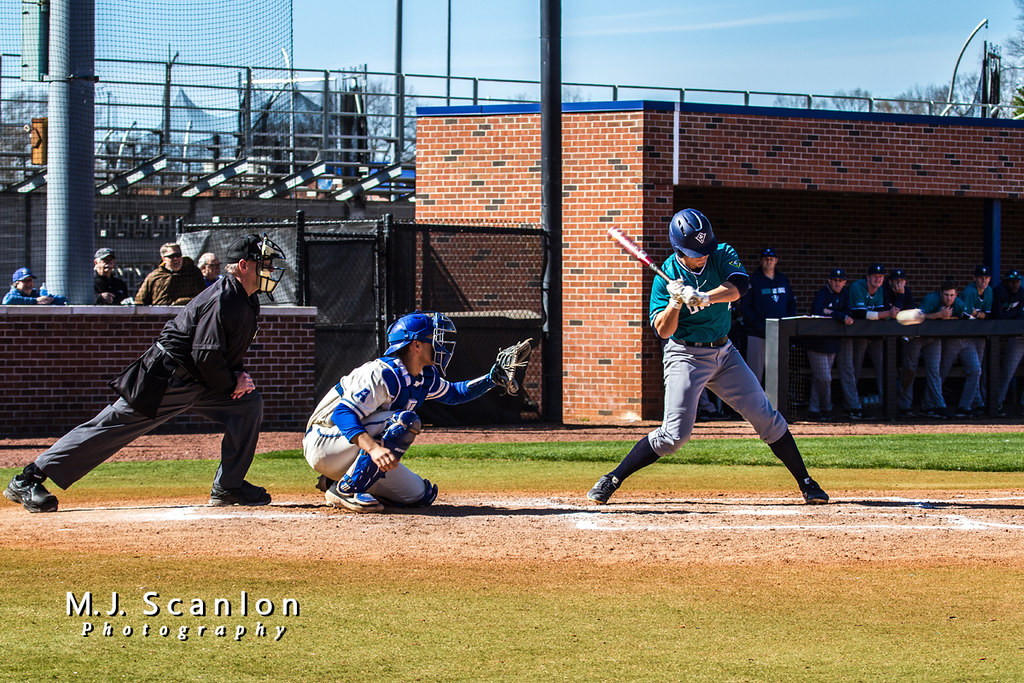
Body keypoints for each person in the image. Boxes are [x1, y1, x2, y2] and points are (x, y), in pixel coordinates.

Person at [3, 234, 287, 513]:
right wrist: (232, 381)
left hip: (201, 378)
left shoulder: (248, 299)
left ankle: (229, 485)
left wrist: (238, 376)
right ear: (243, 265)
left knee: (247, 405)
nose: (271, 269)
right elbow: (205, 353)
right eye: (265, 262)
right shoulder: (224, 298)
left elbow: (224, 350)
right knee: (112, 426)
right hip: (167, 377)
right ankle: (28, 478)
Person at [586, 209, 828, 506]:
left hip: (725, 354)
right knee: (674, 436)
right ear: (678, 250)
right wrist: (675, 303)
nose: (702, 256)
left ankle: (807, 482)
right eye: (694, 252)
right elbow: (663, 332)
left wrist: (705, 297)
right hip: (685, 355)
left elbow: (740, 286)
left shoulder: (721, 253)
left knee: (767, 416)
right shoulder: (666, 278)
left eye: (704, 249)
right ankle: (613, 478)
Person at [303, 311, 526, 512]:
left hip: (350, 448)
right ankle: (345, 489)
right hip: (324, 440)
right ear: (416, 345)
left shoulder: (423, 376)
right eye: (434, 339)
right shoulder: (382, 373)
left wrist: (490, 379)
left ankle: (337, 479)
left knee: (421, 495)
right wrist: (372, 449)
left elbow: (455, 393)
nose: (440, 345)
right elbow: (342, 414)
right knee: (404, 422)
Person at [839, 263, 897, 419]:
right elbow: (859, 314)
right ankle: (851, 404)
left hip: (874, 335)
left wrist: (884, 313)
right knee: (853, 369)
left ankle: (888, 405)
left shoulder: (881, 291)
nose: (877, 279)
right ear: (868, 277)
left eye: (880, 277)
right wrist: (887, 313)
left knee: (884, 367)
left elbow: (877, 312)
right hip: (853, 334)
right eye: (874, 276)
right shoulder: (858, 287)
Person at [920, 278, 979, 419]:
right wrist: (938, 316)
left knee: (976, 370)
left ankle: (964, 406)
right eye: (946, 295)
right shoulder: (931, 299)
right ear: (941, 293)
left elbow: (968, 319)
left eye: (952, 295)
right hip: (924, 339)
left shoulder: (958, 304)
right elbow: (918, 317)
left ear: (956, 295)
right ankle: (928, 405)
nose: (949, 298)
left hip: (955, 339)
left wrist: (951, 319)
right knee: (940, 373)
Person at [739, 247, 797, 385]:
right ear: (761, 261)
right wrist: (757, 326)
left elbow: (791, 303)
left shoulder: (783, 279)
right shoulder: (753, 280)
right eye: (766, 259)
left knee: (777, 374)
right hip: (758, 334)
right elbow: (746, 307)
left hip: (779, 334)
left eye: (771, 259)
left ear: (776, 261)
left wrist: (786, 325)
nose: (768, 262)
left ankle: (774, 405)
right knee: (755, 374)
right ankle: (754, 406)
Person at [806, 268, 852, 421]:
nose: (838, 283)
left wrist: (832, 312)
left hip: (833, 342)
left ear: (844, 282)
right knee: (825, 378)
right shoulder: (822, 294)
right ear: (830, 281)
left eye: (841, 280)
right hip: (817, 343)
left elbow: (850, 313)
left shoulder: (845, 295)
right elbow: (818, 311)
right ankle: (827, 408)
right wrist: (839, 315)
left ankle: (814, 409)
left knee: (820, 378)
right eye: (835, 280)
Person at [992, 269, 1024, 415]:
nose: (1015, 284)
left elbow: (1019, 314)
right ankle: (997, 403)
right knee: (1007, 371)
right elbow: (999, 316)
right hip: (1014, 337)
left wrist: (1012, 315)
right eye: (1012, 281)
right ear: (1006, 281)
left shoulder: (1021, 292)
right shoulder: (1000, 291)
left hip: (1018, 332)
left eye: (1017, 281)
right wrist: (1013, 315)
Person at [961, 265, 993, 411]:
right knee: (943, 370)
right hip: (960, 336)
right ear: (975, 278)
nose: (984, 280)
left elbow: (987, 315)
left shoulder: (989, 291)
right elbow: (966, 316)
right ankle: (934, 404)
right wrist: (977, 315)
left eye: (986, 278)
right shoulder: (969, 291)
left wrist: (976, 314)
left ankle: (976, 402)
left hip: (978, 337)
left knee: (977, 369)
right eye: (981, 277)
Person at [134, 242, 206, 305]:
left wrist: (182, 301)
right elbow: (140, 301)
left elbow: (203, 297)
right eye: (171, 256)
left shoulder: (192, 273)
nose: (176, 259)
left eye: (178, 255)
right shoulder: (154, 276)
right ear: (164, 259)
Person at [2, 268, 68, 305]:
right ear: (17, 284)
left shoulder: (35, 294)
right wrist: (36, 301)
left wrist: (49, 299)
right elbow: (8, 300)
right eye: (25, 280)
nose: (29, 283)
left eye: (30, 280)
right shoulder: (13, 295)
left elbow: (62, 299)